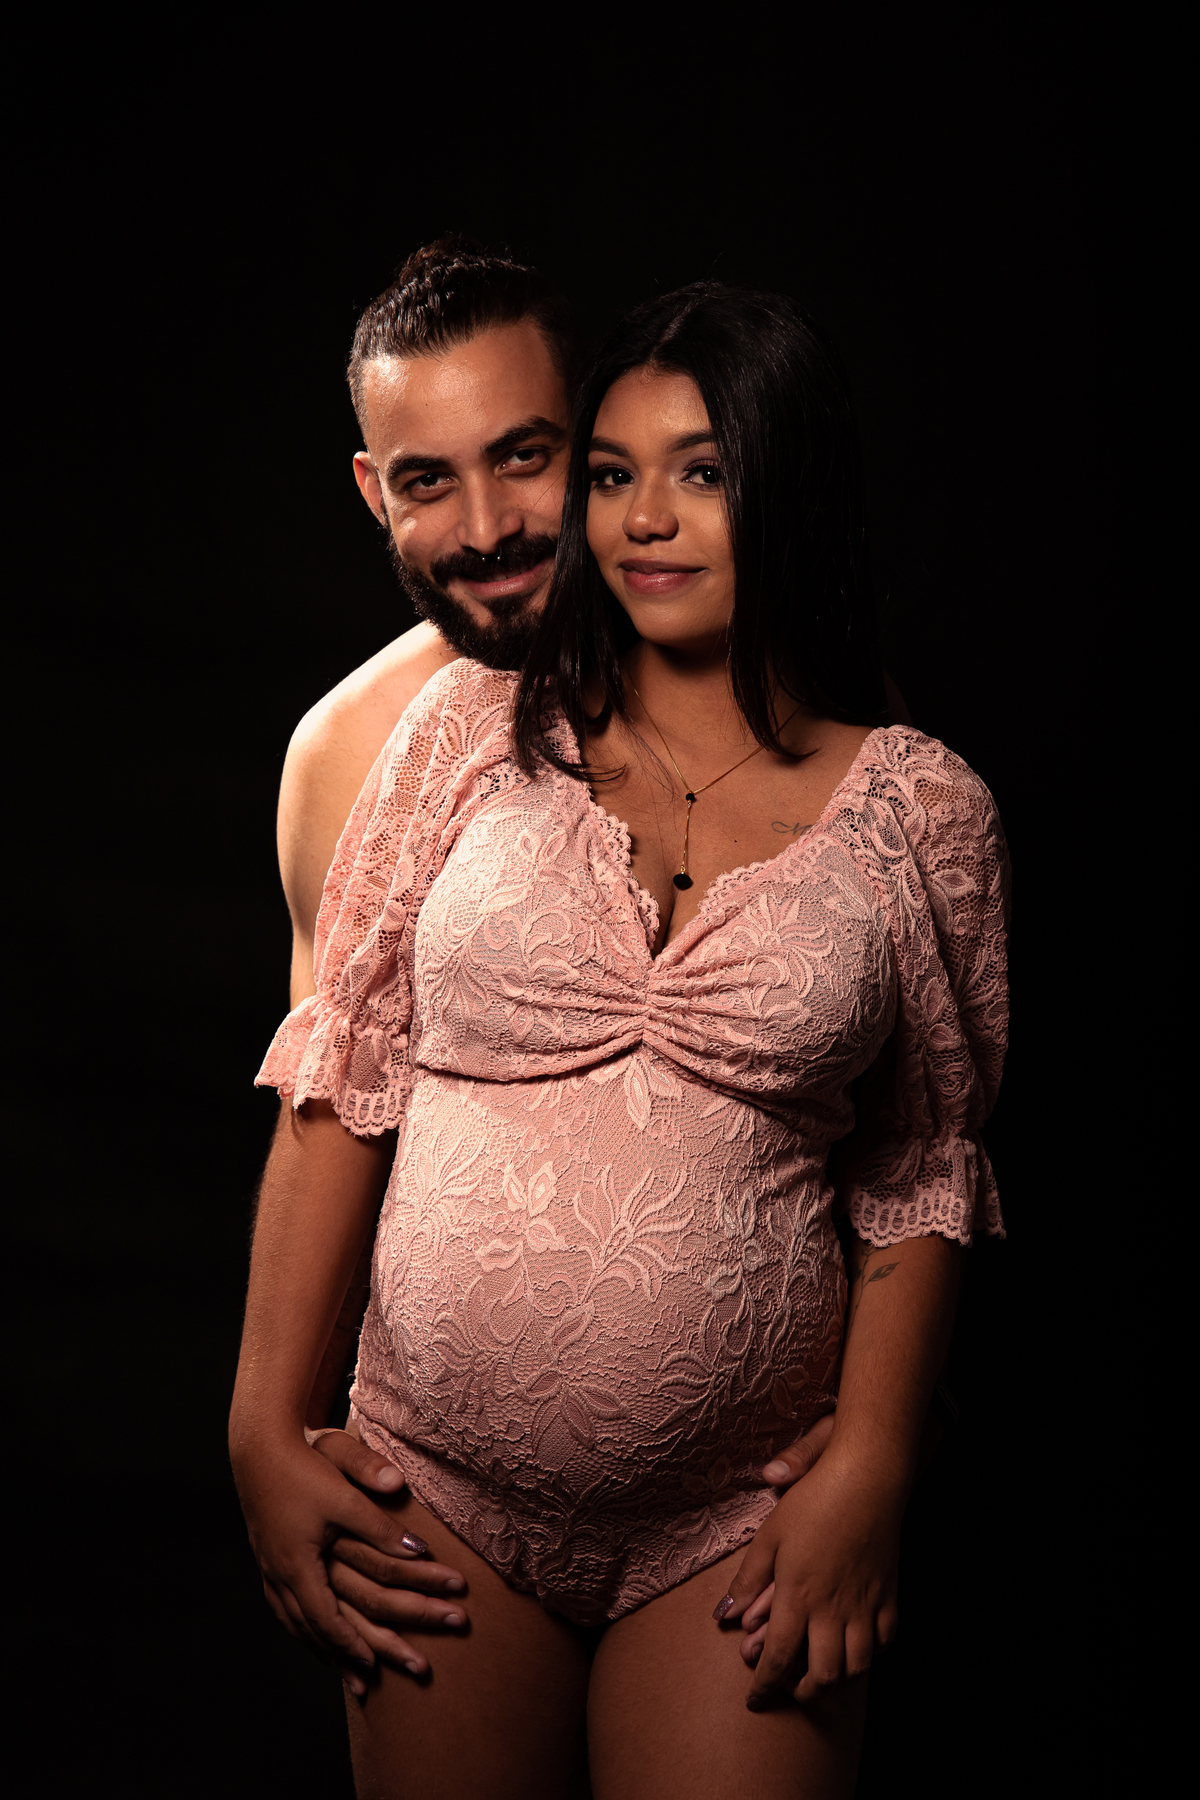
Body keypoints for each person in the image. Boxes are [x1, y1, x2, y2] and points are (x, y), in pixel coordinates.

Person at [231, 278, 1008, 1797]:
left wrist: (874, 1459)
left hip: (734, 1520)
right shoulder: (447, 735)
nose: (645, 518)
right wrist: (264, 1426)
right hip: (436, 1482)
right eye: (614, 475)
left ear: (784, 485)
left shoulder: (913, 803)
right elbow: (343, 1074)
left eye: (702, 471)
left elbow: (922, 1158)